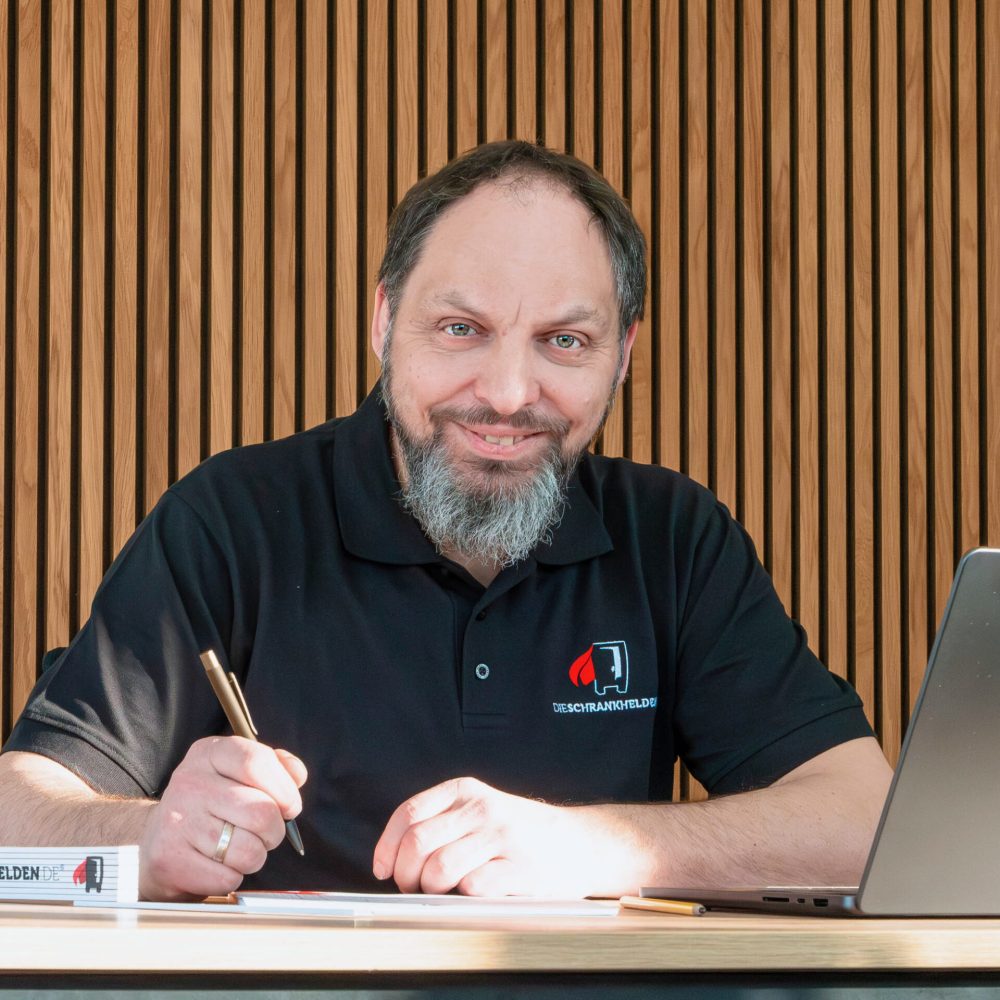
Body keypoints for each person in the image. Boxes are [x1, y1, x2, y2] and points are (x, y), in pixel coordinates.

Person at [0, 141, 892, 902]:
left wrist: (593, 847)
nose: (508, 395)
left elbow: (865, 823)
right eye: (462, 329)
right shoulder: (234, 518)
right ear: (386, 322)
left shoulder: (676, 536)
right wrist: (145, 836)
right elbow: (17, 814)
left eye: (564, 341)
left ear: (623, 356)